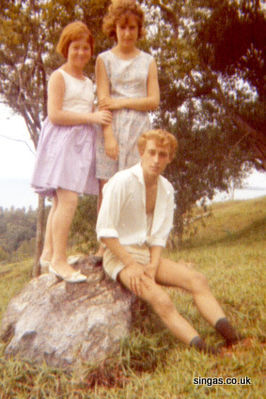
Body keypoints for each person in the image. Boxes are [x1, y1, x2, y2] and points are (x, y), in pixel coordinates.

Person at [96, 129, 241, 353]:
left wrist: (153, 264)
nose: (156, 160)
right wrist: (131, 265)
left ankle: (234, 339)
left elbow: (159, 235)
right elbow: (104, 232)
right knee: (162, 300)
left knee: (197, 280)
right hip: (119, 255)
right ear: (141, 152)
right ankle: (209, 351)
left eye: (162, 154)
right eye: (151, 152)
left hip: (145, 254)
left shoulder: (166, 189)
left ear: (169, 158)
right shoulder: (121, 181)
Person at [31, 21, 112, 283]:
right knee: (67, 200)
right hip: (62, 142)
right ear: (66, 48)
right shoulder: (59, 76)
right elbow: (55, 114)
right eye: (75, 48)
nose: (81, 53)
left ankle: (48, 254)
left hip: (79, 146)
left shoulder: (87, 81)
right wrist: (91, 118)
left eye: (85, 48)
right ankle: (59, 261)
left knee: (60, 200)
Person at [93, 0, 160, 262]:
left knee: (135, 186)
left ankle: (132, 242)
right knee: (108, 187)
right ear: (114, 28)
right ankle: (103, 243)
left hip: (140, 129)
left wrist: (121, 102)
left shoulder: (148, 61)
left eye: (133, 27)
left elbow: (153, 100)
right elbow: (103, 100)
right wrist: (108, 137)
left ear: (139, 29)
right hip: (112, 128)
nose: (128, 33)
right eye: (123, 27)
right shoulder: (104, 60)